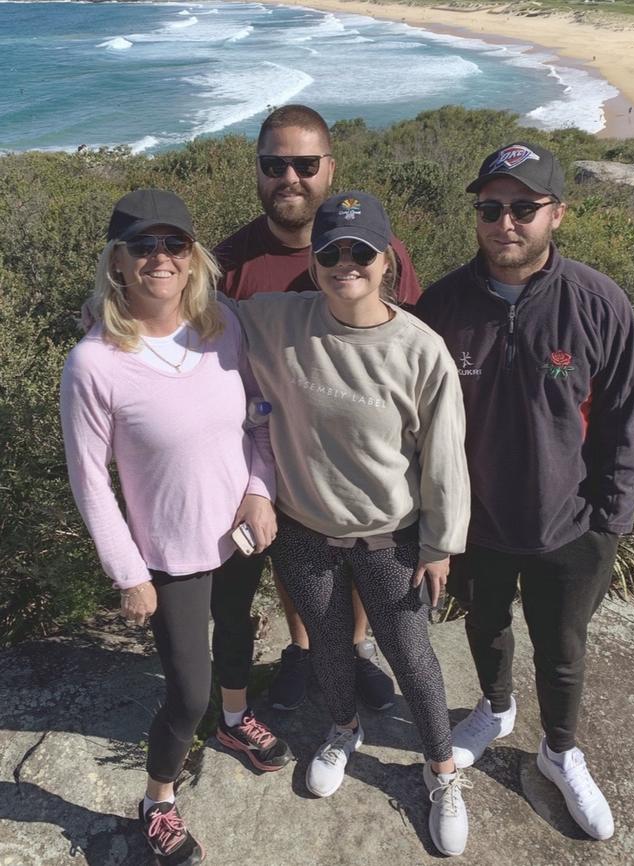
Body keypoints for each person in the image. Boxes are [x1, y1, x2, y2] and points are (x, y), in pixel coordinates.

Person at [222, 191, 472, 857]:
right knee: (329, 647)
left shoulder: (421, 351)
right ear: (313, 260)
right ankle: (342, 729)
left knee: (413, 659)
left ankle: (442, 772)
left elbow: (445, 458)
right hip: (305, 531)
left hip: (390, 538)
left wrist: (441, 544)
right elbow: (199, 314)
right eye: (329, 251)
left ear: (386, 260)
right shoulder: (278, 320)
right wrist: (112, 312)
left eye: (359, 251)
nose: (344, 263)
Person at [415, 142, 634, 841]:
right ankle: (496, 707)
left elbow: (623, 421)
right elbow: (419, 424)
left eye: (522, 207)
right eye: (490, 207)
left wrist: (609, 522)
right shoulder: (443, 305)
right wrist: (434, 529)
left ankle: (560, 750)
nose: (504, 222)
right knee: (486, 627)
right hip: (476, 527)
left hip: (569, 527)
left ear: (557, 214)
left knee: (563, 648)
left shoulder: (599, 303)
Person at [60, 189, 291, 866]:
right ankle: (158, 799)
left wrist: (259, 491)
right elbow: (89, 481)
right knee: (185, 690)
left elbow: (259, 418)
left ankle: (234, 721)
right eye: (142, 245)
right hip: (170, 554)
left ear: (193, 259)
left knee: (240, 629)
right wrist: (128, 573)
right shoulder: (94, 363)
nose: (159, 258)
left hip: (240, 531)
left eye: (174, 244)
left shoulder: (222, 324)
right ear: (118, 262)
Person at [215, 104, 422, 714]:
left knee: (359, 550)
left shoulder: (380, 249)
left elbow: (409, 340)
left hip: (363, 447)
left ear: (330, 169)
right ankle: (305, 648)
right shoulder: (231, 263)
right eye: (274, 164)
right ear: (257, 171)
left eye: (305, 164)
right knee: (292, 556)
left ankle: (355, 648)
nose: (290, 177)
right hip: (274, 450)